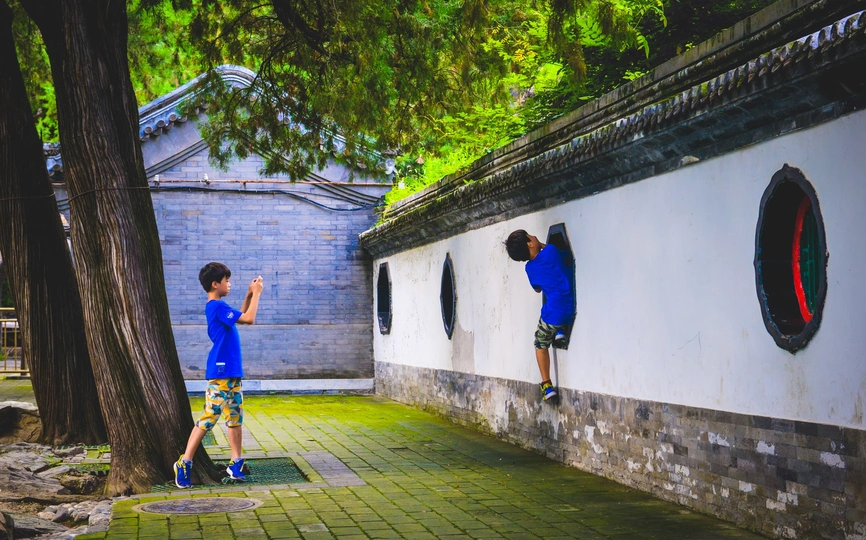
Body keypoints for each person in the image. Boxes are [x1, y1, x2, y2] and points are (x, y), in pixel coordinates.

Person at [173, 262, 263, 488]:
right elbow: (249, 318)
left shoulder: (219, 308)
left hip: (231, 372)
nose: (229, 284)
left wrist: (249, 294)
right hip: (221, 372)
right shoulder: (217, 306)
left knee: (235, 417)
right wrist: (257, 293)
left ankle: (236, 462)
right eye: (227, 281)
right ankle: (185, 462)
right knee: (209, 417)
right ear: (215, 284)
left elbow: (241, 315)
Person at [504, 230, 574, 401]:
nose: (534, 236)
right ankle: (559, 331)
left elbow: (537, 289)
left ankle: (546, 385)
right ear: (530, 243)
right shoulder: (551, 250)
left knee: (540, 342)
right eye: (531, 235)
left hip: (553, 315)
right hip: (569, 307)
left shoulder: (529, 268)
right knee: (553, 311)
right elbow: (565, 255)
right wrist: (542, 245)